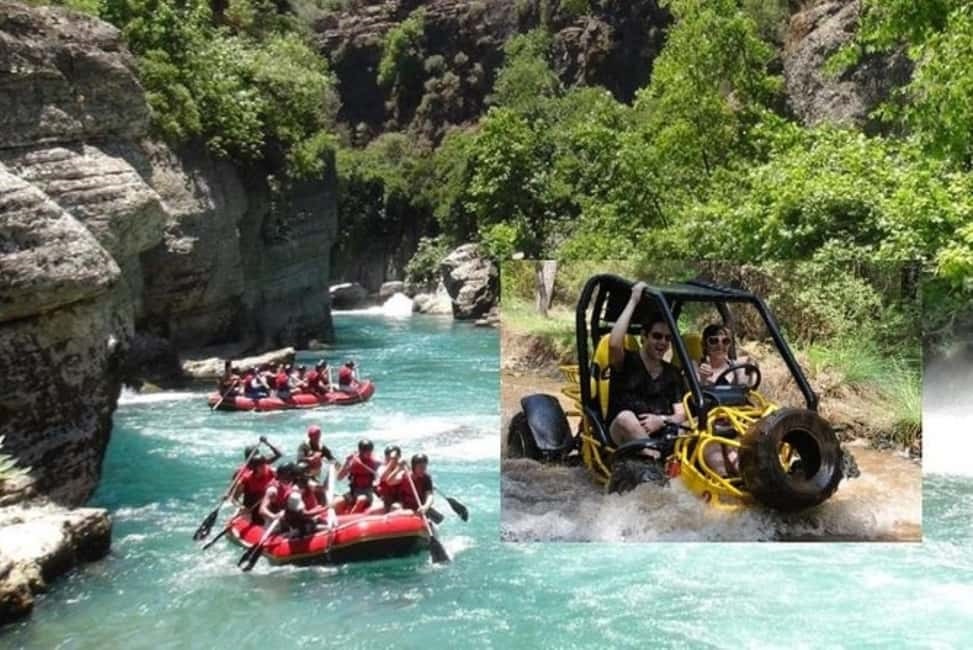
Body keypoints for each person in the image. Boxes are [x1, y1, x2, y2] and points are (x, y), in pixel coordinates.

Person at [606, 281, 687, 454]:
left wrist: (662, 420)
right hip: (622, 432)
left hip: (661, 432)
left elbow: (681, 414)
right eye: (657, 336)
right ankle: (655, 458)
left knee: (692, 425)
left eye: (667, 338)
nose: (663, 342)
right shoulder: (626, 361)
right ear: (644, 336)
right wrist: (634, 300)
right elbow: (614, 344)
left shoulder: (672, 373)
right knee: (626, 418)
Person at [694, 323, 758, 477]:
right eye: (713, 341)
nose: (720, 345)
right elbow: (690, 396)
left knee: (736, 459)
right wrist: (702, 380)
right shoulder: (695, 367)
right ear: (705, 344)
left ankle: (746, 482)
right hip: (707, 426)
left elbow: (747, 394)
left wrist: (750, 372)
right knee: (717, 459)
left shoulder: (737, 368)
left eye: (725, 341)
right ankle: (722, 482)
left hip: (734, 424)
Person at [233, 436, 284, 509]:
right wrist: (241, 506)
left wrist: (267, 443)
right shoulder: (242, 473)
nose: (263, 466)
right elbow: (234, 493)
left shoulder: (263, 464)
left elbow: (279, 455)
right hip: (250, 501)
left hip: (265, 500)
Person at [337, 439, 380, 513]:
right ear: (360, 451)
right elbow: (339, 477)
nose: (368, 453)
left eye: (369, 451)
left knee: (361, 499)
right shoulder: (353, 462)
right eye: (366, 451)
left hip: (367, 492)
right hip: (354, 492)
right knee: (337, 502)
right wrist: (346, 462)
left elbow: (382, 472)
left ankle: (351, 517)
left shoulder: (375, 462)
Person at [376, 445, 406, 513]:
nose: (391, 459)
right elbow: (384, 479)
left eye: (395, 458)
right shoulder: (382, 468)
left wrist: (400, 467)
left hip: (401, 499)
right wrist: (392, 463)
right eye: (388, 457)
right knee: (395, 506)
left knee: (397, 506)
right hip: (388, 500)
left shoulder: (404, 469)